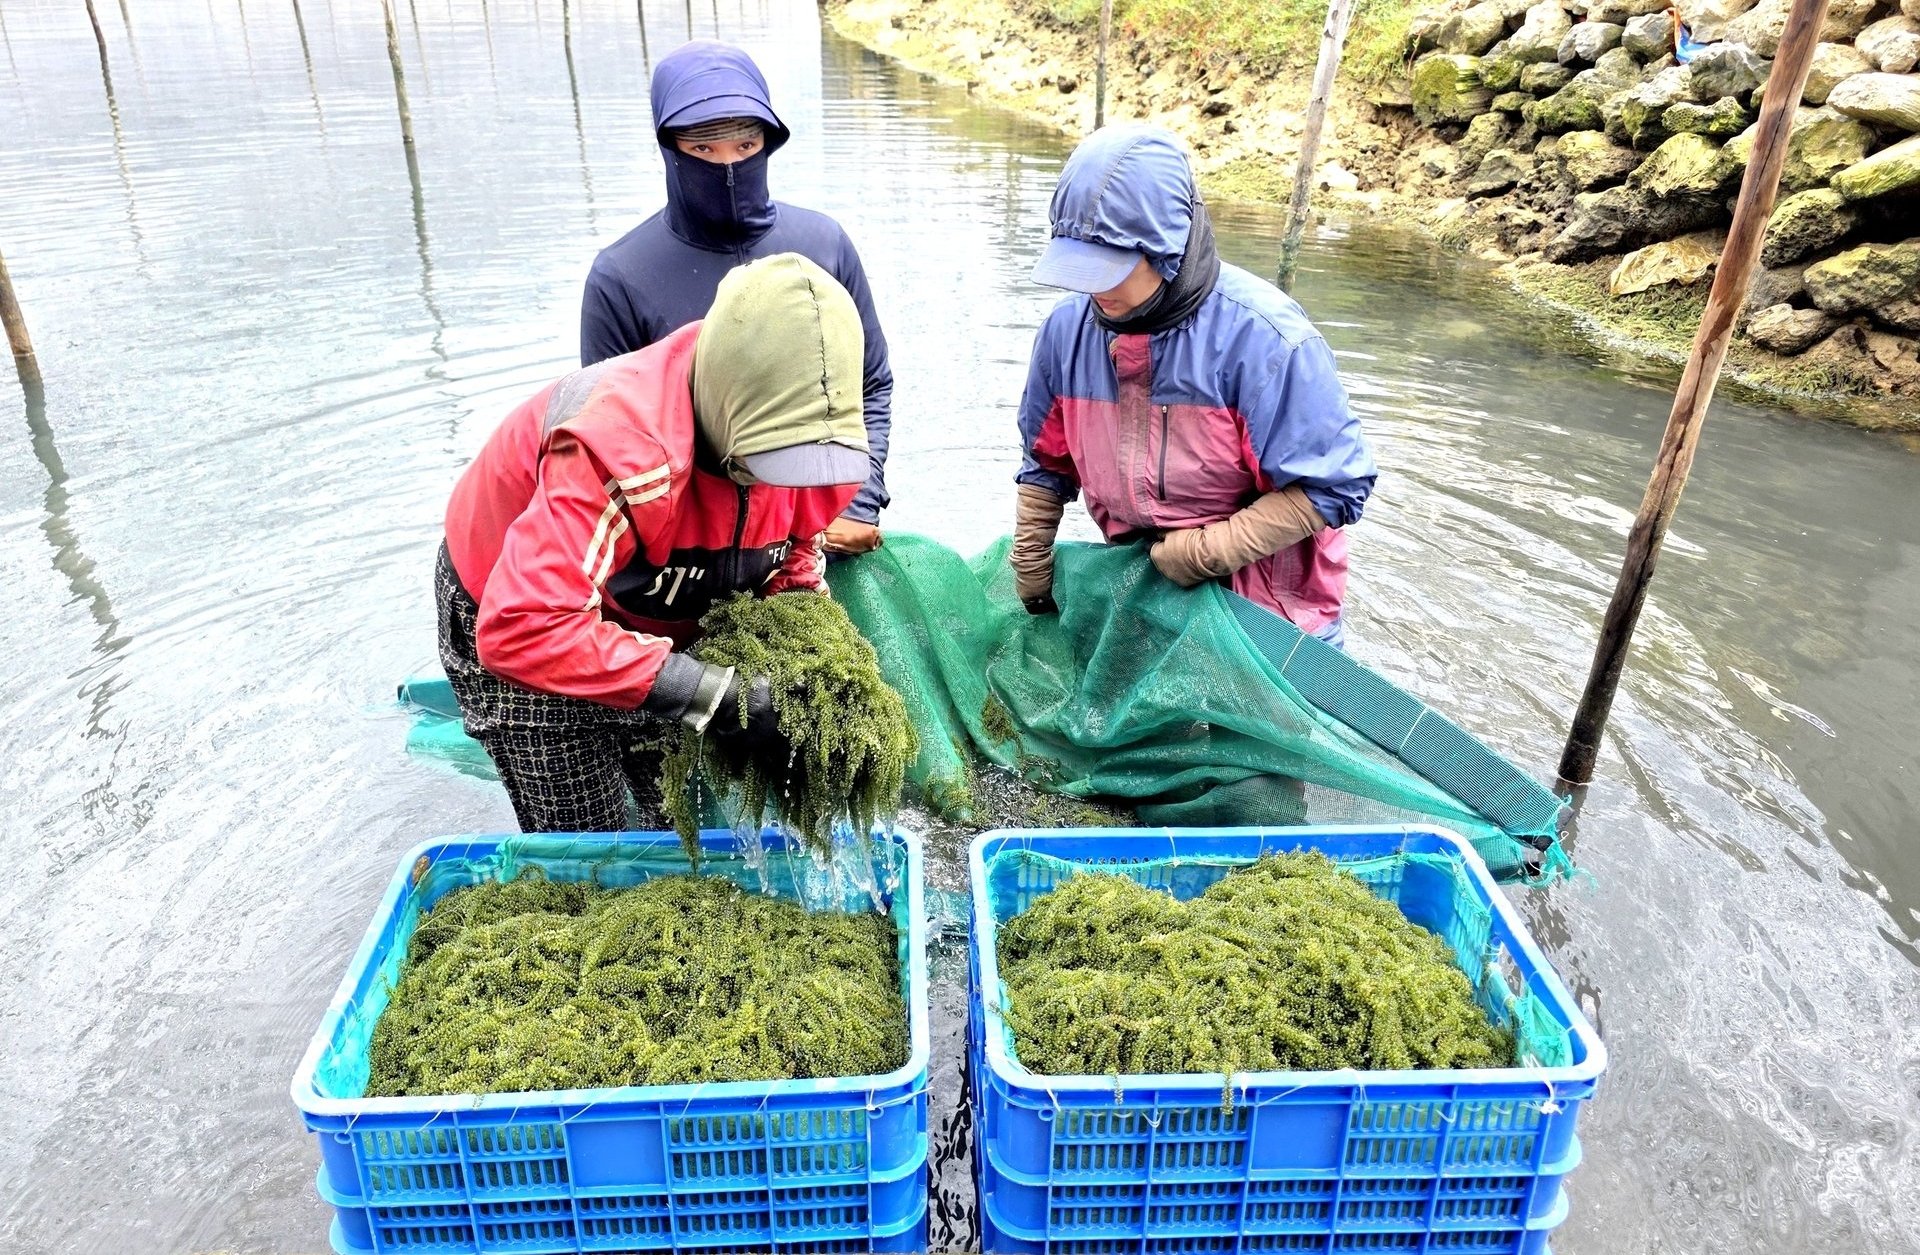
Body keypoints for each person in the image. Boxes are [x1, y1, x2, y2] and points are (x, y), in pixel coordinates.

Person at [440, 254, 870, 832]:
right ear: (723, 403)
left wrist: (803, 662)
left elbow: (794, 553)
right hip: (517, 611)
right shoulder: (622, 452)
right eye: (766, 459)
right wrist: (712, 694)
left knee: (666, 818)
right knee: (587, 833)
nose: (783, 481)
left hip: (652, 601)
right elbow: (525, 627)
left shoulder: (821, 447)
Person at [1010, 126, 1376, 648]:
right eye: (1079, 267)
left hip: (1269, 612)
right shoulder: (1066, 332)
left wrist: (1210, 551)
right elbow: (1045, 463)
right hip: (1147, 586)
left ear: (1166, 247)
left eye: (1110, 268)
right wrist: (1031, 556)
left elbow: (1335, 486)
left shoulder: (1266, 340)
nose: (1093, 288)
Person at [580, 40, 892, 558]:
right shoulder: (621, 278)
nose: (727, 164)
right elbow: (608, 439)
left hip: (817, 525)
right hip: (686, 549)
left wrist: (855, 501)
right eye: (703, 148)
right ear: (668, 148)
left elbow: (870, 384)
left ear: (767, 143)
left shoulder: (824, 248)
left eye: (745, 146)